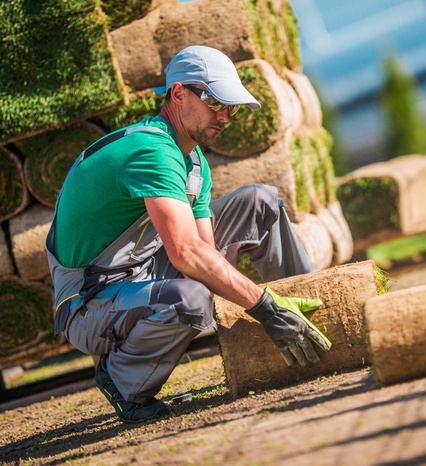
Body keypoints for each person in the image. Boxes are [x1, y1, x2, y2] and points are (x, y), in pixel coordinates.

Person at [46, 45, 331, 424]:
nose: (226, 115)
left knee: (260, 201)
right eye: (216, 102)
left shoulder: (192, 160)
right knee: (191, 299)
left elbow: (205, 251)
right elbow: (185, 255)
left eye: (232, 107)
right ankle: (121, 380)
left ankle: (312, 320)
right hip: (90, 303)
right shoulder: (150, 150)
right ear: (178, 94)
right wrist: (262, 306)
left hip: (140, 272)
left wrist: (251, 302)